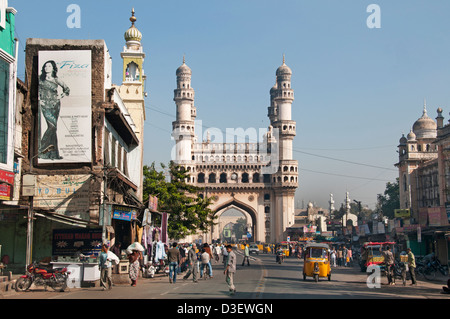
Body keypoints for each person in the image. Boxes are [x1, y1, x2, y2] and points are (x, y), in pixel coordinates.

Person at [38, 60, 70, 160]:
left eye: (49, 66)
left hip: (55, 105)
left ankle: (53, 154)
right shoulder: (40, 79)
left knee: (54, 128)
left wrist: (61, 96)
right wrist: (39, 99)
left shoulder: (56, 79)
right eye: (45, 66)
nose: (47, 68)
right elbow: (37, 91)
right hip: (45, 105)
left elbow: (67, 89)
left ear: (53, 68)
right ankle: (41, 150)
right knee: (51, 127)